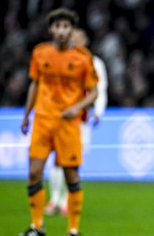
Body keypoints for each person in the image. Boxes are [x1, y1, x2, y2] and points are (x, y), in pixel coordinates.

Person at [18, 8, 99, 236]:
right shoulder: (40, 53)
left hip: (68, 124)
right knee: (34, 173)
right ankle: (37, 227)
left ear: (71, 30)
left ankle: (73, 230)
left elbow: (94, 91)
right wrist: (26, 115)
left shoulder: (83, 58)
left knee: (71, 176)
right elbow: (34, 84)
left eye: (66, 27)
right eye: (58, 26)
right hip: (43, 120)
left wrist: (78, 107)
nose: (62, 31)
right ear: (51, 29)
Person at [44, 28, 108, 217]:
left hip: (82, 119)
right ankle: (54, 199)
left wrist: (98, 111)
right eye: (74, 38)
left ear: (86, 40)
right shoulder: (60, 59)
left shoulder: (95, 63)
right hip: (60, 117)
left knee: (72, 162)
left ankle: (65, 201)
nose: (77, 41)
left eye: (80, 37)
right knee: (57, 159)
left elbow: (101, 89)